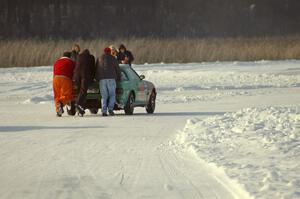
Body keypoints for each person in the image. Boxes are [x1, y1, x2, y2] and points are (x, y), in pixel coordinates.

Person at [95, 47, 121, 116]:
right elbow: (117, 69)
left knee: (104, 96)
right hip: (111, 79)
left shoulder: (99, 58)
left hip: (102, 80)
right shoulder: (113, 58)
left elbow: (96, 69)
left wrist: (97, 78)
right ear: (109, 52)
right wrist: (119, 77)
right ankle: (110, 109)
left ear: (104, 52)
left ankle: (104, 111)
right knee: (112, 95)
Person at [73, 49, 95, 116]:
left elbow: (76, 65)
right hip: (85, 76)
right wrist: (93, 78)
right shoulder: (91, 57)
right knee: (83, 91)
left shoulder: (79, 56)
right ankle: (78, 103)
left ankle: (81, 108)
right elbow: (93, 68)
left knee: (79, 91)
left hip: (77, 76)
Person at [53, 51, 76, 117]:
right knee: (67, 95)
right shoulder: (71, 62)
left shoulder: (57, 61)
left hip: (55, 79)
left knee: (57, 95)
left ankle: (58, 111)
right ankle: (61, 103)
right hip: (65, 78)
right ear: (70, 56)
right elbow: (74, 72)